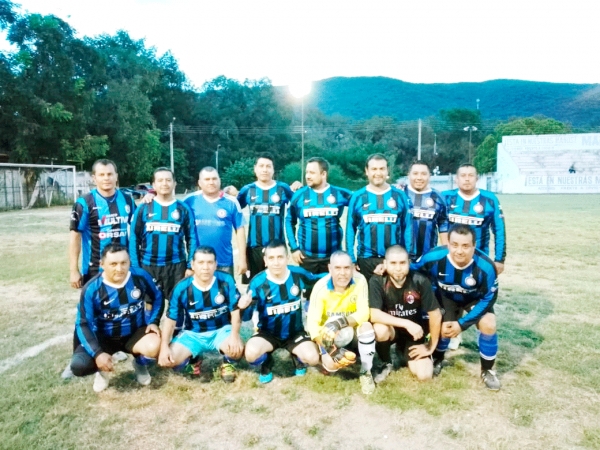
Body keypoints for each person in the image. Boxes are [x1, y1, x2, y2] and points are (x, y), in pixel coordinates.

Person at [412, 224, 501, 390]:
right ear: (448, 244)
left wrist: (463, 324)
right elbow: (411, 269)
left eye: (466, 246)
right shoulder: (433, 257)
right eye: (455, 245)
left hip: (474, 299)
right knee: (446, 327)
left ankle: (487, 370)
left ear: (474, 246)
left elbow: (489, 298)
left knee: (489, 323)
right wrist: (386, 267)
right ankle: (438, 358)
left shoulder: (487, 267)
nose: (459, 251)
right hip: (447, 297)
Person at [69, 244, 163, 392]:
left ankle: (139, 364)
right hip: (104, 337)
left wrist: (154, 321)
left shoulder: (140, 277)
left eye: (123, 263)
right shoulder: (92, 288)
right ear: (102, 264)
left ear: (129, 262)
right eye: (113, 264)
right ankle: (102, 371)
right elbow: (83, 323)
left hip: (134, 333)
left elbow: (157, 297)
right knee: (79, 365)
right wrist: (97, 353)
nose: (119, 268)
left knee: (156, 345)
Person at [158, 246, 244, 383]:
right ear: (192, 265)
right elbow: (170, 320)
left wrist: (234, 336)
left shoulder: (226, 281)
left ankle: (227, 362)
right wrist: (164, 347)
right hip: (193, 334)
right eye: (201, 262)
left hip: (221, 331)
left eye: (210, 262)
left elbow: (235, 312)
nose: (206, 267)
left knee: (237, 349)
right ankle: (193, 359)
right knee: (170, 361)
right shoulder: (181, 288)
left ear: (216, 264)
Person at [241, 240, 323, 383]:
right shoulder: (258, 282)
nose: (276, 262)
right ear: (265, 261)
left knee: (313, 358)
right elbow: (247, 317)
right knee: (251, 354)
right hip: (267, 334)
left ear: (287, 258)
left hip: (294, 333)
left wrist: (337, 273)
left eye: (280, 257)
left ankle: (297, 356)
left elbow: (317, 280)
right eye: (271, 258)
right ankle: (267, 361)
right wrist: (245, 306)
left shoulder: (298, 274)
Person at [306, 251, 377, 395]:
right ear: (330, 268)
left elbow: (364, 313)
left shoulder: (360, 280)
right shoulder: (320, 287)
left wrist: (340, 323)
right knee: (332, 366)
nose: (343, 273)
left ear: (352, 268)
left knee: (367, 327)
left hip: (351, 330)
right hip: (329, 337)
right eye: (337, 268)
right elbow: (312, 326)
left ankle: (366, 370)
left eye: (346, 268)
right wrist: (331, 349)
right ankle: (329, 356)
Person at [369, 245, 442, 382]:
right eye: (393, 263)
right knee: (380, 329)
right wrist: (406, 323)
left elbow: (435, 314)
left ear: (409, 262)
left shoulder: (420, 281)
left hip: (414, 334)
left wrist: (431, 346)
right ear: (385, 264)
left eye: (402, 263)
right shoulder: (377, 280)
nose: (398, 268)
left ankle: (402, 350)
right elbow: (374, 314)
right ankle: (386, 362)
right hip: (392, 330)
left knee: (424, 375)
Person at [129, 167, 198, 311]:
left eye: (168, 180)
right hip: (148, 265)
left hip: (176, 266)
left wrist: (191, 266)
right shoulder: (143, 208)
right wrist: (135, 267)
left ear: (175, 183)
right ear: (153, 185)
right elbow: (134, 238)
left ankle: (175, 332)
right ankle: (151, 331)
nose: (164, 183)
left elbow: (191, 237)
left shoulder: (183, 208)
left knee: (177, 304)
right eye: (160, 180)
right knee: (150, 303)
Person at [69, 159, 136, 288]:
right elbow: (75, 237)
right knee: (96, 307)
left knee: (123, 305)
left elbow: (138, 228)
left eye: (110, 174)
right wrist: (73, 270)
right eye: (101, 175)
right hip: (95, 269)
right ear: (94, 178)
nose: (106, 178)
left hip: (123, 266)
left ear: (116, 176)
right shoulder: (84, 203)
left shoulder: (128, 200)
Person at [346, 153, 413, 281]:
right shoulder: (358, 197)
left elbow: (408, 227)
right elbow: (350, 228)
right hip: (366, 260)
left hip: (394, 260)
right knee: (368, 299)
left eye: (382, 169)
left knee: (393, 299)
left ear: (387, 170)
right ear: (367, 171)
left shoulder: (399, 195)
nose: (378, 173)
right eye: (374, 169)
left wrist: (408, 255)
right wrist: (351, 258)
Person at [232, 153, 295, 283]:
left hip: (277, 248)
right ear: (255, 169)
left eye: (268, 166)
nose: (265, 169)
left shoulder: (283, 188)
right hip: (254, 248)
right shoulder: (247, 190)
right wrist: (225, 192)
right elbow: (233, 208)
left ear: (273, 170)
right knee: (254, 287)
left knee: (278, 284)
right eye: (261, 166)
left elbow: (299, 205)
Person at [286, 157, 353, 275]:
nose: (307, 176)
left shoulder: (340, 193)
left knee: (333, 292)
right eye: (307, 172)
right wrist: (294, 248)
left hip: (333, 257)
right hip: (307, 257)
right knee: (309, 293)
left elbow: (362, 203)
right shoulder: (299, 195)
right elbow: (289, 220)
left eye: (312, 173)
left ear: (323, 174)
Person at [443, 164, 506, 275]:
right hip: (451, 256)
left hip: (479, 258)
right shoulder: (446, 197)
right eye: (463, 175)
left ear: (477, 178)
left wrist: (499, 259)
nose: (467, 179)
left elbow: (499, 231)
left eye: (471, 175)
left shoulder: (490, 199)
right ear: (456, 179)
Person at [184, 167, 247, 277]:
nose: (211, 182)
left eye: (214, 178)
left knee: (224, 294)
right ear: (199, 182)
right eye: (207, 179)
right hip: (198, 263)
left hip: (224, 262)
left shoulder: (231, 202)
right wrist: (151, 193)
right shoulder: (189, 200)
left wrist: (242, 259)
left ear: (219, 180)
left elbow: (240, 230)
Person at [404, 161, 449, 260]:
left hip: (428, 256)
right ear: (408, 175)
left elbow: (443, 224)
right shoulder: (400, 194)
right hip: (401, 257)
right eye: (415, 174)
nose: (419, 178)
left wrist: (446, 251)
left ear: (430, 176)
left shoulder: (438, 197)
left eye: (423, 174)